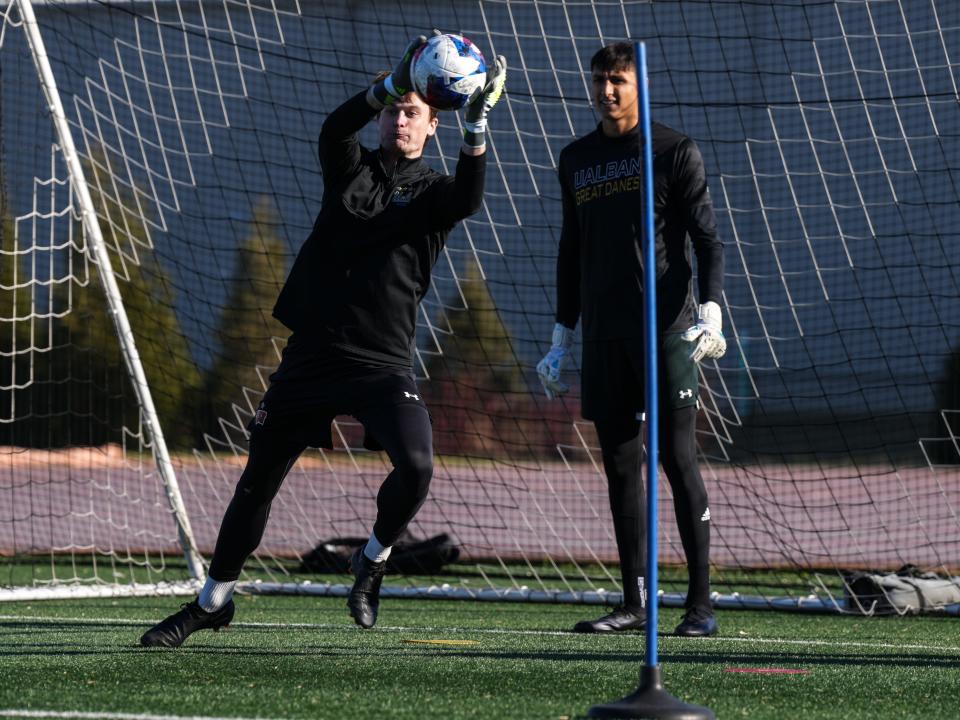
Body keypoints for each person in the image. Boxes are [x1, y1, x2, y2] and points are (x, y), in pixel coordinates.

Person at [141, 34, 507, 646]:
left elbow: (471, 198)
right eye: (395, 110)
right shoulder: (352, 168)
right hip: (313, 355)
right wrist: (387, 86)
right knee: (257, 482)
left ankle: (373, 559)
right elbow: (336, 127)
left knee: (416, 467)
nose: (400, 120)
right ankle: (213, 601)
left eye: (413, 112)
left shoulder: (436, 191)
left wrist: (477, 128)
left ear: (432, 126)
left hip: (381, 362)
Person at [536, 41, 725, 637]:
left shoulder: (674, 151)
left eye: (617, 79)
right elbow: (572, 249)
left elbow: (707, 241)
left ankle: (700, 606)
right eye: (599, 80)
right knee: (620, 467)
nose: (606, 91)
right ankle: (635, 603)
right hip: (604, 338)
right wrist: (563, 331)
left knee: (677, 458)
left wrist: (713, 311)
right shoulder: (576, 159)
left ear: (638, 83)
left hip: (666, 333)